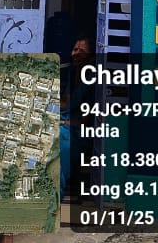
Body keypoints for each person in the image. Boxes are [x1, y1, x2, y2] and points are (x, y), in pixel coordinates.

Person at [59, 35, 96, 199]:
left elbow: (84, 123)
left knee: (62, 140)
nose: (77, 54)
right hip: (66, 124)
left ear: (91, 57)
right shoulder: (72, 73)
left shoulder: (91, 79)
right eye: (75, 49)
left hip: (78, 133)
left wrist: (62, 121)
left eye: (82, 51)